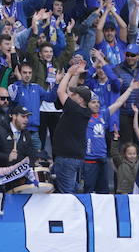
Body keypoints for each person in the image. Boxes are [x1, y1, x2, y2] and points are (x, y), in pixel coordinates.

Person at [52, 62, 91, 193]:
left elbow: (60, 91)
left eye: (74, 95)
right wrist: (77, 73)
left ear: (80, 100)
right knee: (70, 191)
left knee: (67, 195)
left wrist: (68, 73)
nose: (71, 95)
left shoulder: (75, 109)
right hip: (73, 158)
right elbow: (70, 89)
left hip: (66, 159)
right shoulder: (82, 110)